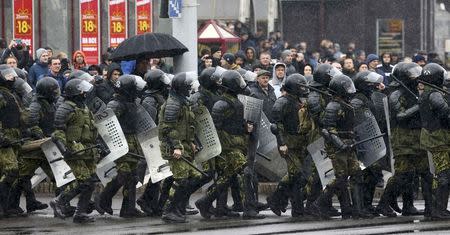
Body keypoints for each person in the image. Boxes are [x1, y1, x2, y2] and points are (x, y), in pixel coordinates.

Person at [376, 62, 432, 217]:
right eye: (412, 74)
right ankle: (383, 204)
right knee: (403, 174)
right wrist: (419, 106)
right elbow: (400, 116)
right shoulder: (396, 94)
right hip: (403, 139)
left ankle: (422, 207)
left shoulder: (416, 92)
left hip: (418, 137)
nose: (416, 77)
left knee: (424, 174)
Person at [210, 70, 265, 219]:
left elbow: (234, 125)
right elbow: (218, 129)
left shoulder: (234, 101)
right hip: (228, 148)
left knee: (226, 177)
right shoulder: (221, 104)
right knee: (245, 174)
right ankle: (249, 209)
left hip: (234, 146)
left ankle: (217, 207)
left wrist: (245, 128)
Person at [96, 75, 147, 218]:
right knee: (123, 174)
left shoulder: (131, 102)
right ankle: (102, 199)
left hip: (131, 142)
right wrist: (104, 145)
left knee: (132, 177)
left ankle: (128, 208)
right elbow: (105, 125)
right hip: (120, 142)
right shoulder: (116, 104)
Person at [49, 78, 98, 223]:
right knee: (85, 182)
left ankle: (80, 213)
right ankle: (58, 201)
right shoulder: (66, 108)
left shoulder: (83, 107)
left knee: (91, 182)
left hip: (87, 149)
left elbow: (90, 128)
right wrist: (64, 149)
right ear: (75, 92)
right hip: (74, 150)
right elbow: (58, 132)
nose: (84, 93)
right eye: (81, 90)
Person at [159, 72, 206, 223]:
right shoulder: (173, 103)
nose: (191, 89)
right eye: (189, 86)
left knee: (195, 177)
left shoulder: (182, 101)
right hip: (174, 148)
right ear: (182, 87)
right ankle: (168, 210)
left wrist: (191, 142)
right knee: (181, 180)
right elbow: (169, 128)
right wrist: (177, 147)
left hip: (183, 145)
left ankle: (177, 207)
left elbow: (186, 126)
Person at [13, 77, 60, 214]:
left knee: (58, 175)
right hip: (34, 148)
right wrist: (42, 136)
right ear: (46, 92)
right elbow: (32, 126)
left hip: (45, 146)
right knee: (22, 177)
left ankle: (60, 203)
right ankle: (11, 206)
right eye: (53, 90)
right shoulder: (36, 106)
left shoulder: (50, 104)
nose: (56, 93)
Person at [267, 73, 312, 217]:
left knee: (299, 176)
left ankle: (284, 203)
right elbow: (275, 125)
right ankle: (282, 202)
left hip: (300, 143)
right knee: (296, 173)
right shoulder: (282, 102)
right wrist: (282, 143)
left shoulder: (299, 101)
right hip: (288, 144)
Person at [418, 63, 450, 219]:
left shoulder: (429, 92)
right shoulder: (434, 94)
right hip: (438, 139)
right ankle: (438, 210)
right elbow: (446, 113)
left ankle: (436, 209)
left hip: (434, 138)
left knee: (439, 174)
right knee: (443, 175)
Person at [0, 66, 25, 218]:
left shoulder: (11, 94)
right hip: (4, 138)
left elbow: (20, 116)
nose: (12, 78)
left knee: (13, 173)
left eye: (12, 75)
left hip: (14, 137)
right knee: (11, 169)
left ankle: (8, 206)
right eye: (8, 76)